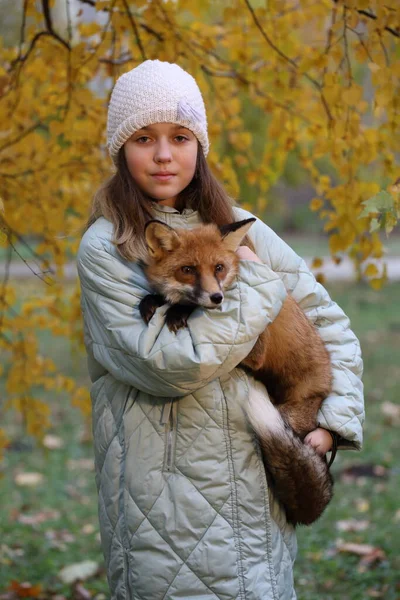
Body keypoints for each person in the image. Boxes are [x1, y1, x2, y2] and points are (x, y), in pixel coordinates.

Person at [77, 60, 364, 600]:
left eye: (180, 137)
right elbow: (171, 365)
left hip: (256, 490)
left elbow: (329, 323)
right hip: (161, 508)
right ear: (121, 149)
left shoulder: (238, 221)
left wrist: (330, 422)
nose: (164, 154)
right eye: (144, 138)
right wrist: (254, 284)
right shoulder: (107, 247)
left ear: (198, 147)